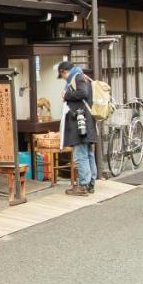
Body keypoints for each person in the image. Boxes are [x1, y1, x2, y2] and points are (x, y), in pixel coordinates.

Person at [58, 61, 98, 195]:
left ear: (64, 71)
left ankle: (83, 185)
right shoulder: (82, 76)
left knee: (81, 155)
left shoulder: (77, 77)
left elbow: (83, 93)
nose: (63, 78)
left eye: (62, 75)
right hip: (87, 121)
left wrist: (66, 95)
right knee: (88, 154)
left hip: (81, 122)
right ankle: (90, 184)